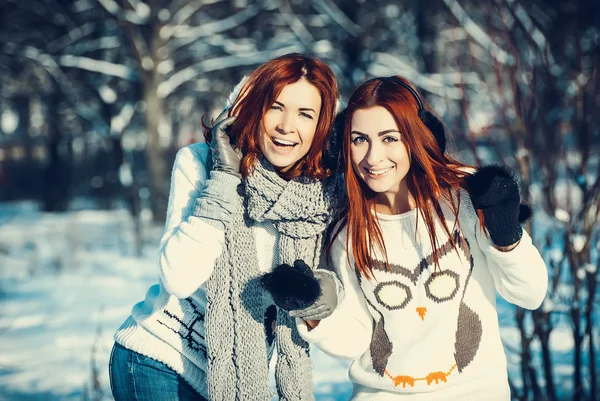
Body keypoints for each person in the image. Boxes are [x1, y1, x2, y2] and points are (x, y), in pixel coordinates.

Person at [293, 76, 548, 400]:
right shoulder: (347, 227)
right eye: (359, 139)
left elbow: (530, 293)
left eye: (389, 138)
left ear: (415, 136)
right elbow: (357, 339)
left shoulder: (465, 198)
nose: (373, 158)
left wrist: (505, 232)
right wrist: (316, 310)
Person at [109, 53, 343, 401]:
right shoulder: (201, 163)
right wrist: (223, 179)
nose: (286, 125)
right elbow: (179, 277)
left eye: (305, 114)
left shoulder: (323, 196)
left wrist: (325, 290)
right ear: (250, 110)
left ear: (321, 127)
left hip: (235, 380)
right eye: (275, 107)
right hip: (158, 359)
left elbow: (327, 272)